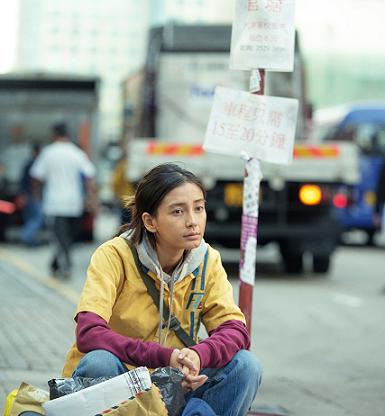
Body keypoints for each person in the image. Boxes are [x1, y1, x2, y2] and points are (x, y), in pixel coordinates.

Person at [62, 163, 262, 415]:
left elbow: (235, 329)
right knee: (98, 362)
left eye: (199, 208)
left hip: (178, 383)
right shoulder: (114, 255)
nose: (193, 221)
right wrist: (166, 357)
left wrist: (198, 356)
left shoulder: (207, 259)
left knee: (246, 365)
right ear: (150, 221)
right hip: (123, 380)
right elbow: (89, 333)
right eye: (178, 211)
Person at [30, 122, 96, 278]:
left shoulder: (48, 153)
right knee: (67, 236)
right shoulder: (77, 153)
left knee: (59, 236)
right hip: (74, 203)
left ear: (53, 135)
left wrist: (36, 194)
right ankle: (59, 263)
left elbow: (36, 177)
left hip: (54, 203)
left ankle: (64, 264)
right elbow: (89, 177)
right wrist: (92, 198)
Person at [18, 143, 44, 247]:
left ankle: (30, 239)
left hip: (27, 195)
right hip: (33, 196)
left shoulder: (27, 163)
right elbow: (35, 182)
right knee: (38, 218)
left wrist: (22, 195)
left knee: (30, 218)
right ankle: (26, 236)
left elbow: (22, 181)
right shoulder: (37, 164)